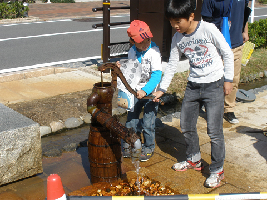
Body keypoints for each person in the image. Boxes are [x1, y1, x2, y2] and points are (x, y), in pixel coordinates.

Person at [152, 0, 234, 188]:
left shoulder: (208, 29)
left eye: (178, 21)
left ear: (191, 16)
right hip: (193, 86)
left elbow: (227, 52)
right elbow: (172, 65)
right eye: (172, 22)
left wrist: (228, 79)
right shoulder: (177, 38)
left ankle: (217, 170)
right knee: (186, 125)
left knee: (214, 131)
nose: (175, 26)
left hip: (214, 84)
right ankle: (194, 159)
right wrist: (162, 89)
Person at [118, 20, 162, 162]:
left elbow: (156, 75)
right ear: (132, 42)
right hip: (136, 92)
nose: (145, 44)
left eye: (147, 40)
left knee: (148, 123)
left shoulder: (154, 52)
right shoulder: (132, 51)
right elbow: (131, 70)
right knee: (131, 120)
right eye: (141, 42)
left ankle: (148, 147)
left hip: (151, 94)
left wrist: (146, 90)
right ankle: (132, 142)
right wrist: (121, 67)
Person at [201, 0, 250, 124]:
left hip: (235, 43)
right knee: (213, 79)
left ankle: (229, 109)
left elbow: (245, 12)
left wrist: (245, 31)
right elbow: (206, 22)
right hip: (215, 45)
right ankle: (212, 108)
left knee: (233, 78)